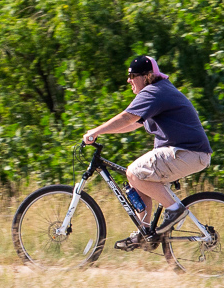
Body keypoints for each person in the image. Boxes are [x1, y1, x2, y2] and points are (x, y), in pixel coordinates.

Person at [81, 55, 211, 247]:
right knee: (139, 182)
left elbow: (127, 118)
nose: (129, 80)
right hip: (188, 153)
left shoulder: (154, 91)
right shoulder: (158, 92)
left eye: (132, 75)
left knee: (133, 172)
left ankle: (175, 210)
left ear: (147, 76)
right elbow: (132, 124)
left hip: (186, 152)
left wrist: (96, 131)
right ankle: (144, 232)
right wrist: (102, 132)